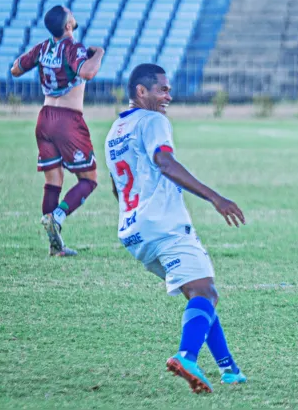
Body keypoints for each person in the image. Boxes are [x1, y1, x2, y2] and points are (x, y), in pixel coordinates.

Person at [104, 63, 247, 393]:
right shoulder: (154, 120)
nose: (169, 95)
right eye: (162, 90)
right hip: (163, 225)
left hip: (132, 231)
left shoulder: (115, 131)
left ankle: (230, 369)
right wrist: (215, 198)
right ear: (141, 92)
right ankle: (186, 355)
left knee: (200, 293)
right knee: (204, 292)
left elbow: (116, 186)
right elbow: (164, 162)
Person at [10, 5, 105, 256]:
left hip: (44, 118)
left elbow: (15, 69)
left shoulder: (43, 47)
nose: (74, 14)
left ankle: (55, 246)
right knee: (90, 180)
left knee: (53, 181)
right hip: (68, 119)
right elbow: (89, 72)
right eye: (70, 13)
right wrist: (99, 53)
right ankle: (59, 217)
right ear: (68, 26)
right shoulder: (73, 47)